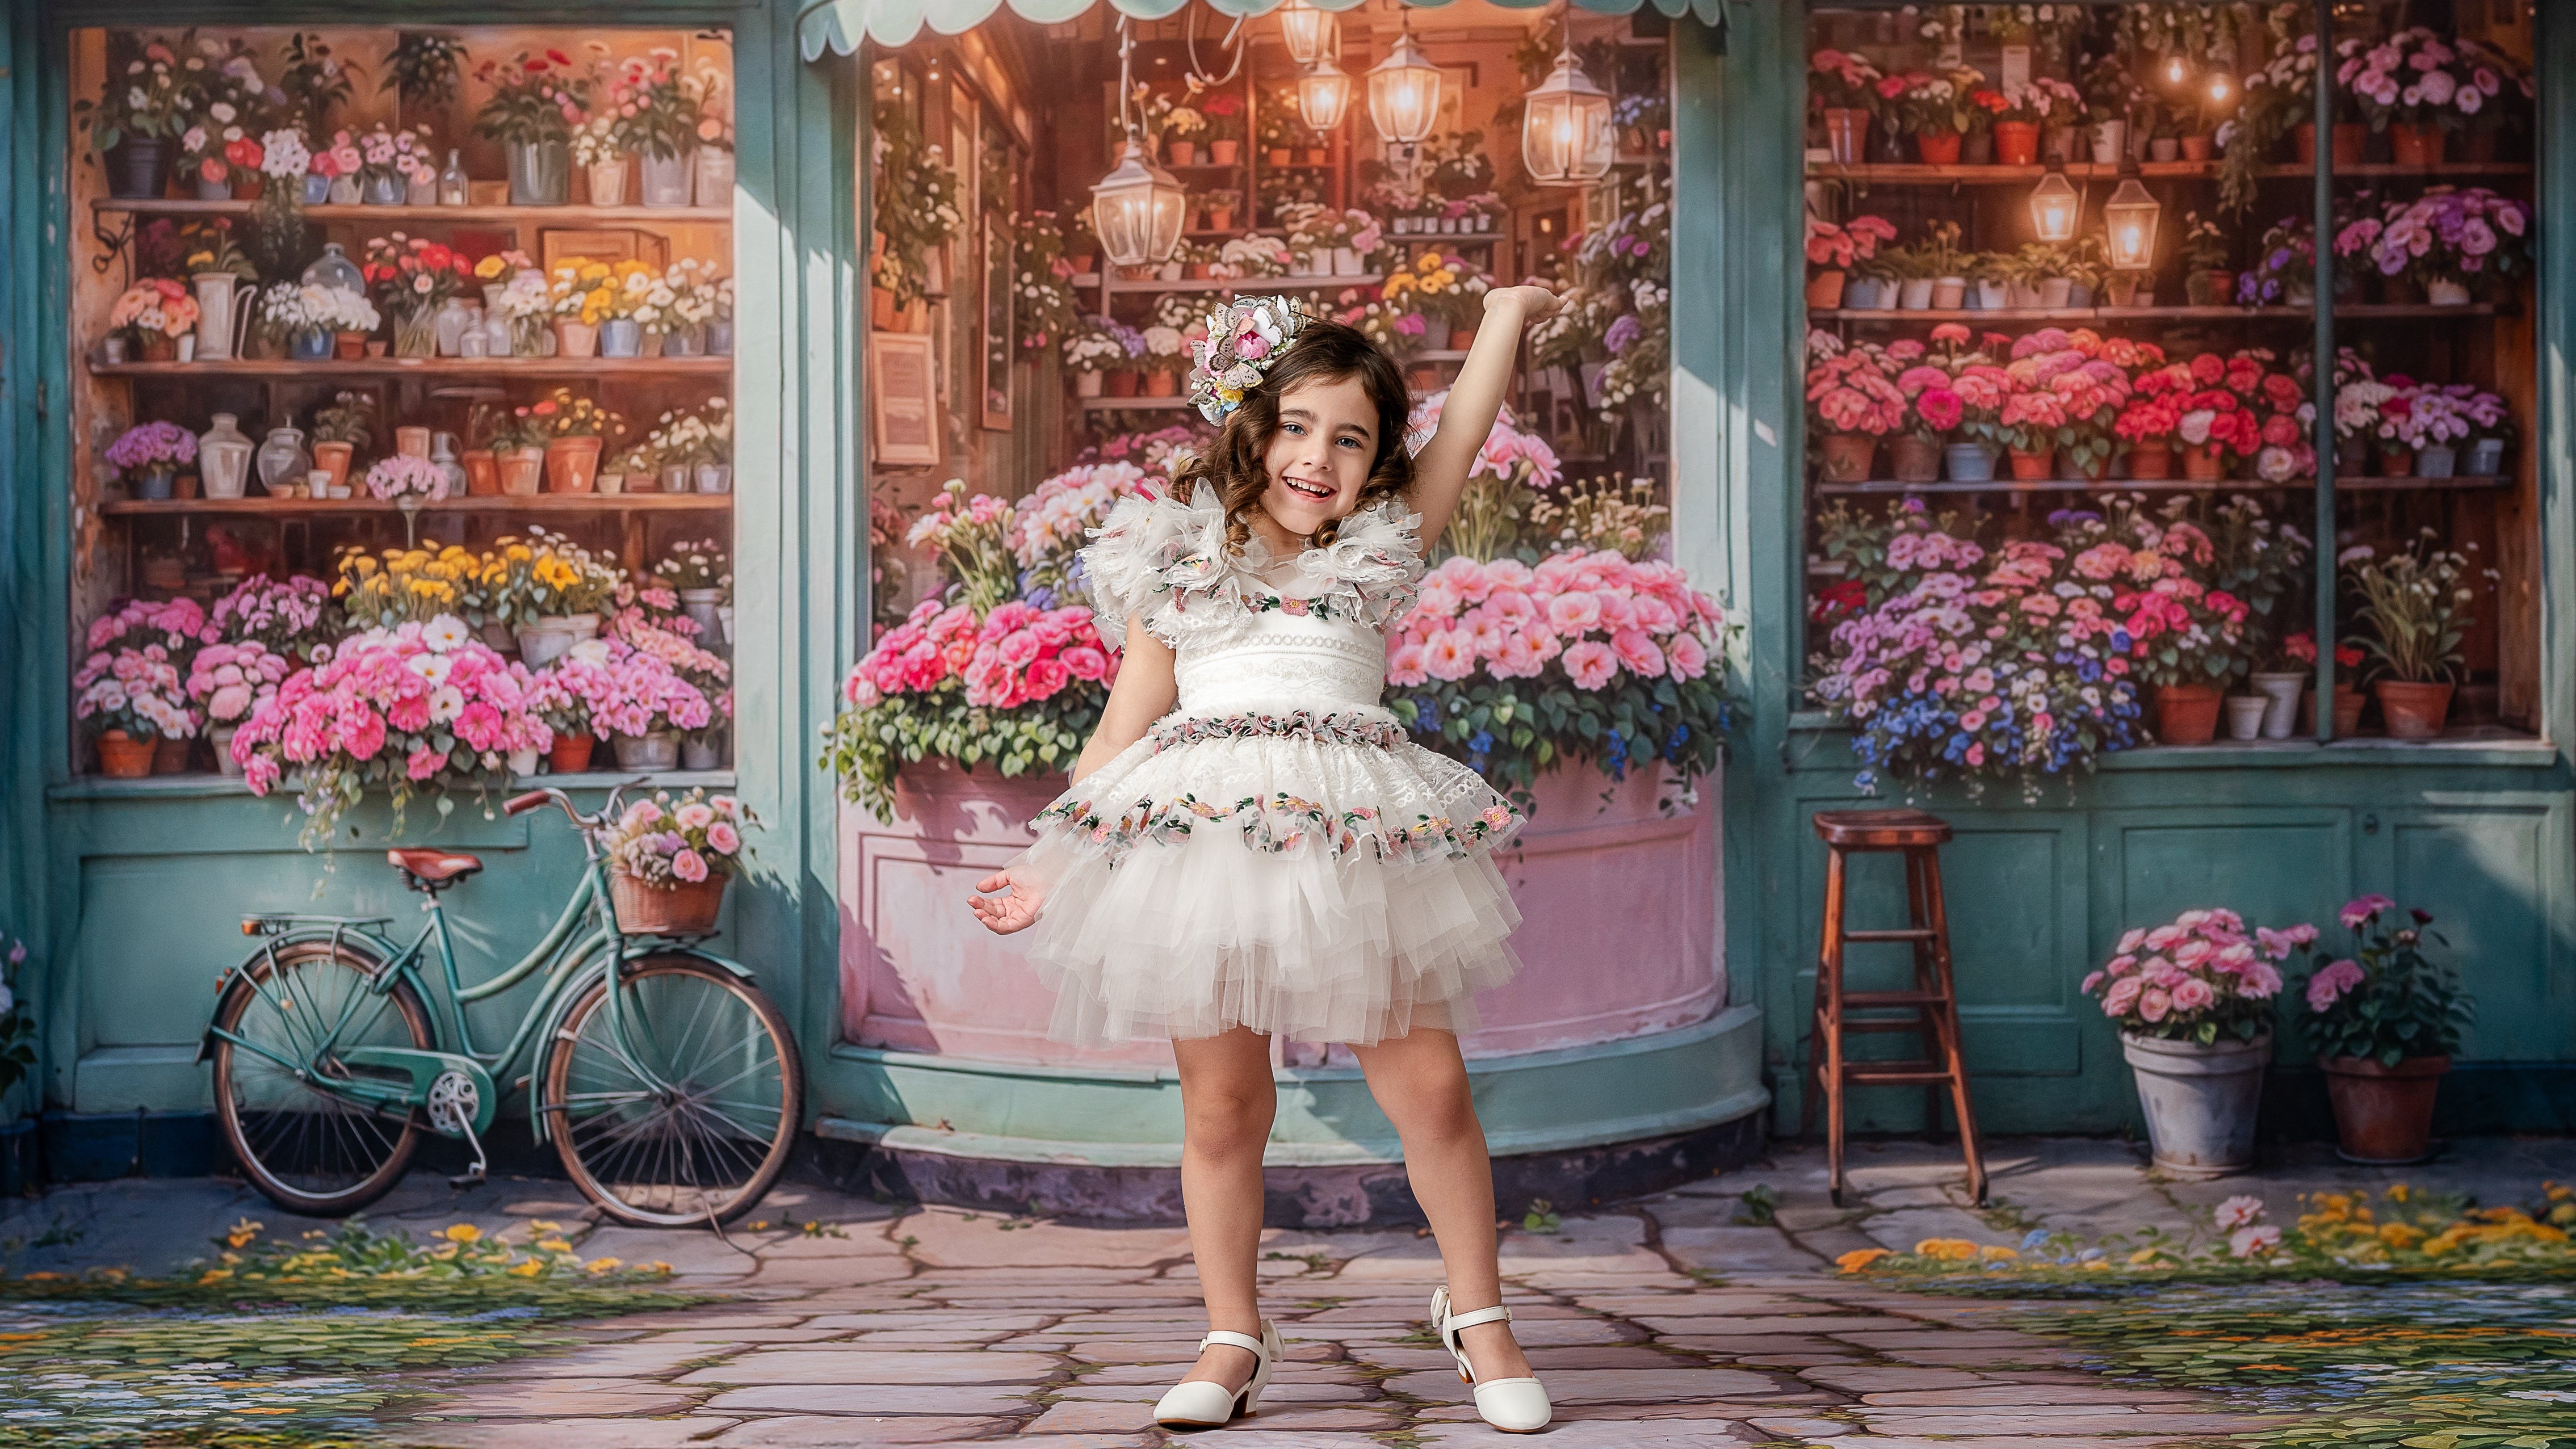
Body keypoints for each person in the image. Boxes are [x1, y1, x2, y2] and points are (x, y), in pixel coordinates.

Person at [969, 282, 1564, 1434]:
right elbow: (1120, 731)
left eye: (1351, 439)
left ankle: (1479, 1316)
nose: (1317, 457)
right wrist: (1049, 863)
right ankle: (1231, 1334)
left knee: (1431, 1088)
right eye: (1297, 425)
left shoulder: (1384, 542)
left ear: (1379, 462)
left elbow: (1464, 427)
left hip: (1353, 838)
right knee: (1223, 1105)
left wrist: (1504, 314)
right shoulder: (1180, 563)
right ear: (1252, 426)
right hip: (1204, 848)